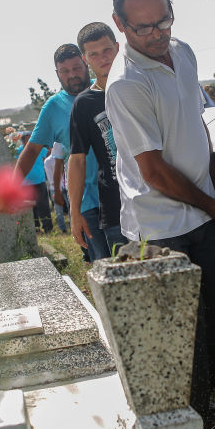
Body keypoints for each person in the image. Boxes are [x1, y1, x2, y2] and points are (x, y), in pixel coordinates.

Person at [105, 0, 215, 420]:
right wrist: (213, 205)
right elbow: (155, 171)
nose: (159, 35)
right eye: (144, 27)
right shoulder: (126, 83)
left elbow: (196, 123)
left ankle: (208, 382)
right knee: (184, 323)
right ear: (120, 25)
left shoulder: (182, 52)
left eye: (165, 21)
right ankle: (196, 414)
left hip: (201, 206)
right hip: (160, 223)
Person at [15, 44, 107, 260]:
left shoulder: (106, 91)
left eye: (76, 68)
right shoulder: (53, 108)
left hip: (121, 191)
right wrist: (11, 189)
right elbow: (31, 151)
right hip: (86, 200)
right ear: (57, 74)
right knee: (104, 263)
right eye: (65, 71)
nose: (72, 75)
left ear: (86, 64)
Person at [69, 22, 128, 256]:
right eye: (94, 54)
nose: (102, 58)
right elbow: (77, 160)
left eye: (106, 50)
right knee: (126, 285)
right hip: (115, 208)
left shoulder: (137, 84)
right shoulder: (84, 104)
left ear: (117, 47)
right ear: (85, 59)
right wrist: (75, 212)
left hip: (154, 203)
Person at [15, 132, 52, 232]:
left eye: (30, 138)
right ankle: (35, 227)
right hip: (25, 184)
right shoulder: (18, 151)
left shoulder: (37, 149)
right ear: (22, 141)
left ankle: (47, 226)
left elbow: (48, 153)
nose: (29, 141)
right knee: (31, 207)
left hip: (39, 181)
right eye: (27, 139)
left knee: (43, 205)